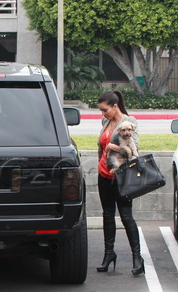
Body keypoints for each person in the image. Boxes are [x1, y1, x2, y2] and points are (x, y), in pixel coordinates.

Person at [96, 90, 144, 276]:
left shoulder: (129, 122)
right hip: (104, 174)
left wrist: (113, 146)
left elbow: (134, 149)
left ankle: (137, 258)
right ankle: (109, 254)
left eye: (105, 110)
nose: (102, 114)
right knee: (107, 215)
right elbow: (101, 146)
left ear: (115, 106)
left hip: (122, 176)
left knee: (126, 216)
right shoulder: (105, 122)